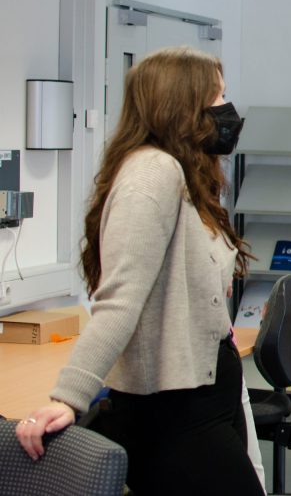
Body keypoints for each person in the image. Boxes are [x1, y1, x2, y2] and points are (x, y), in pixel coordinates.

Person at [15, 46, 264, 496]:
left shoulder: (185, 171)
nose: (225, 109)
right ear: (182, 104)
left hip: (207, 390)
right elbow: (120, 301)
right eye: (216, 97)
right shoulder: (152, 174)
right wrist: (70, 397)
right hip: (176, 409)